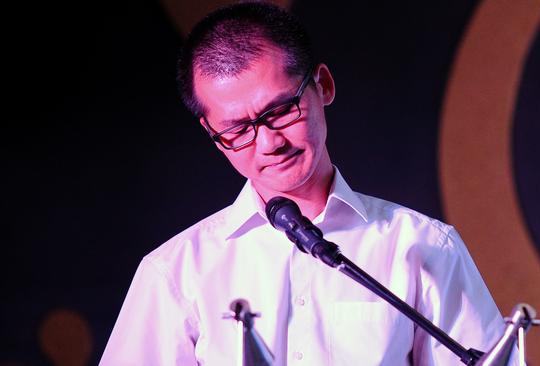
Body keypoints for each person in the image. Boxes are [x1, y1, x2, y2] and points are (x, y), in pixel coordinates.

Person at [100, 2, 509, 365]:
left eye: (280, 111)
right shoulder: (175, 272)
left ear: (323, 85)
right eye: (237, 129)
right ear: (212, 135)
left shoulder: (423, 248)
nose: (269, 143)